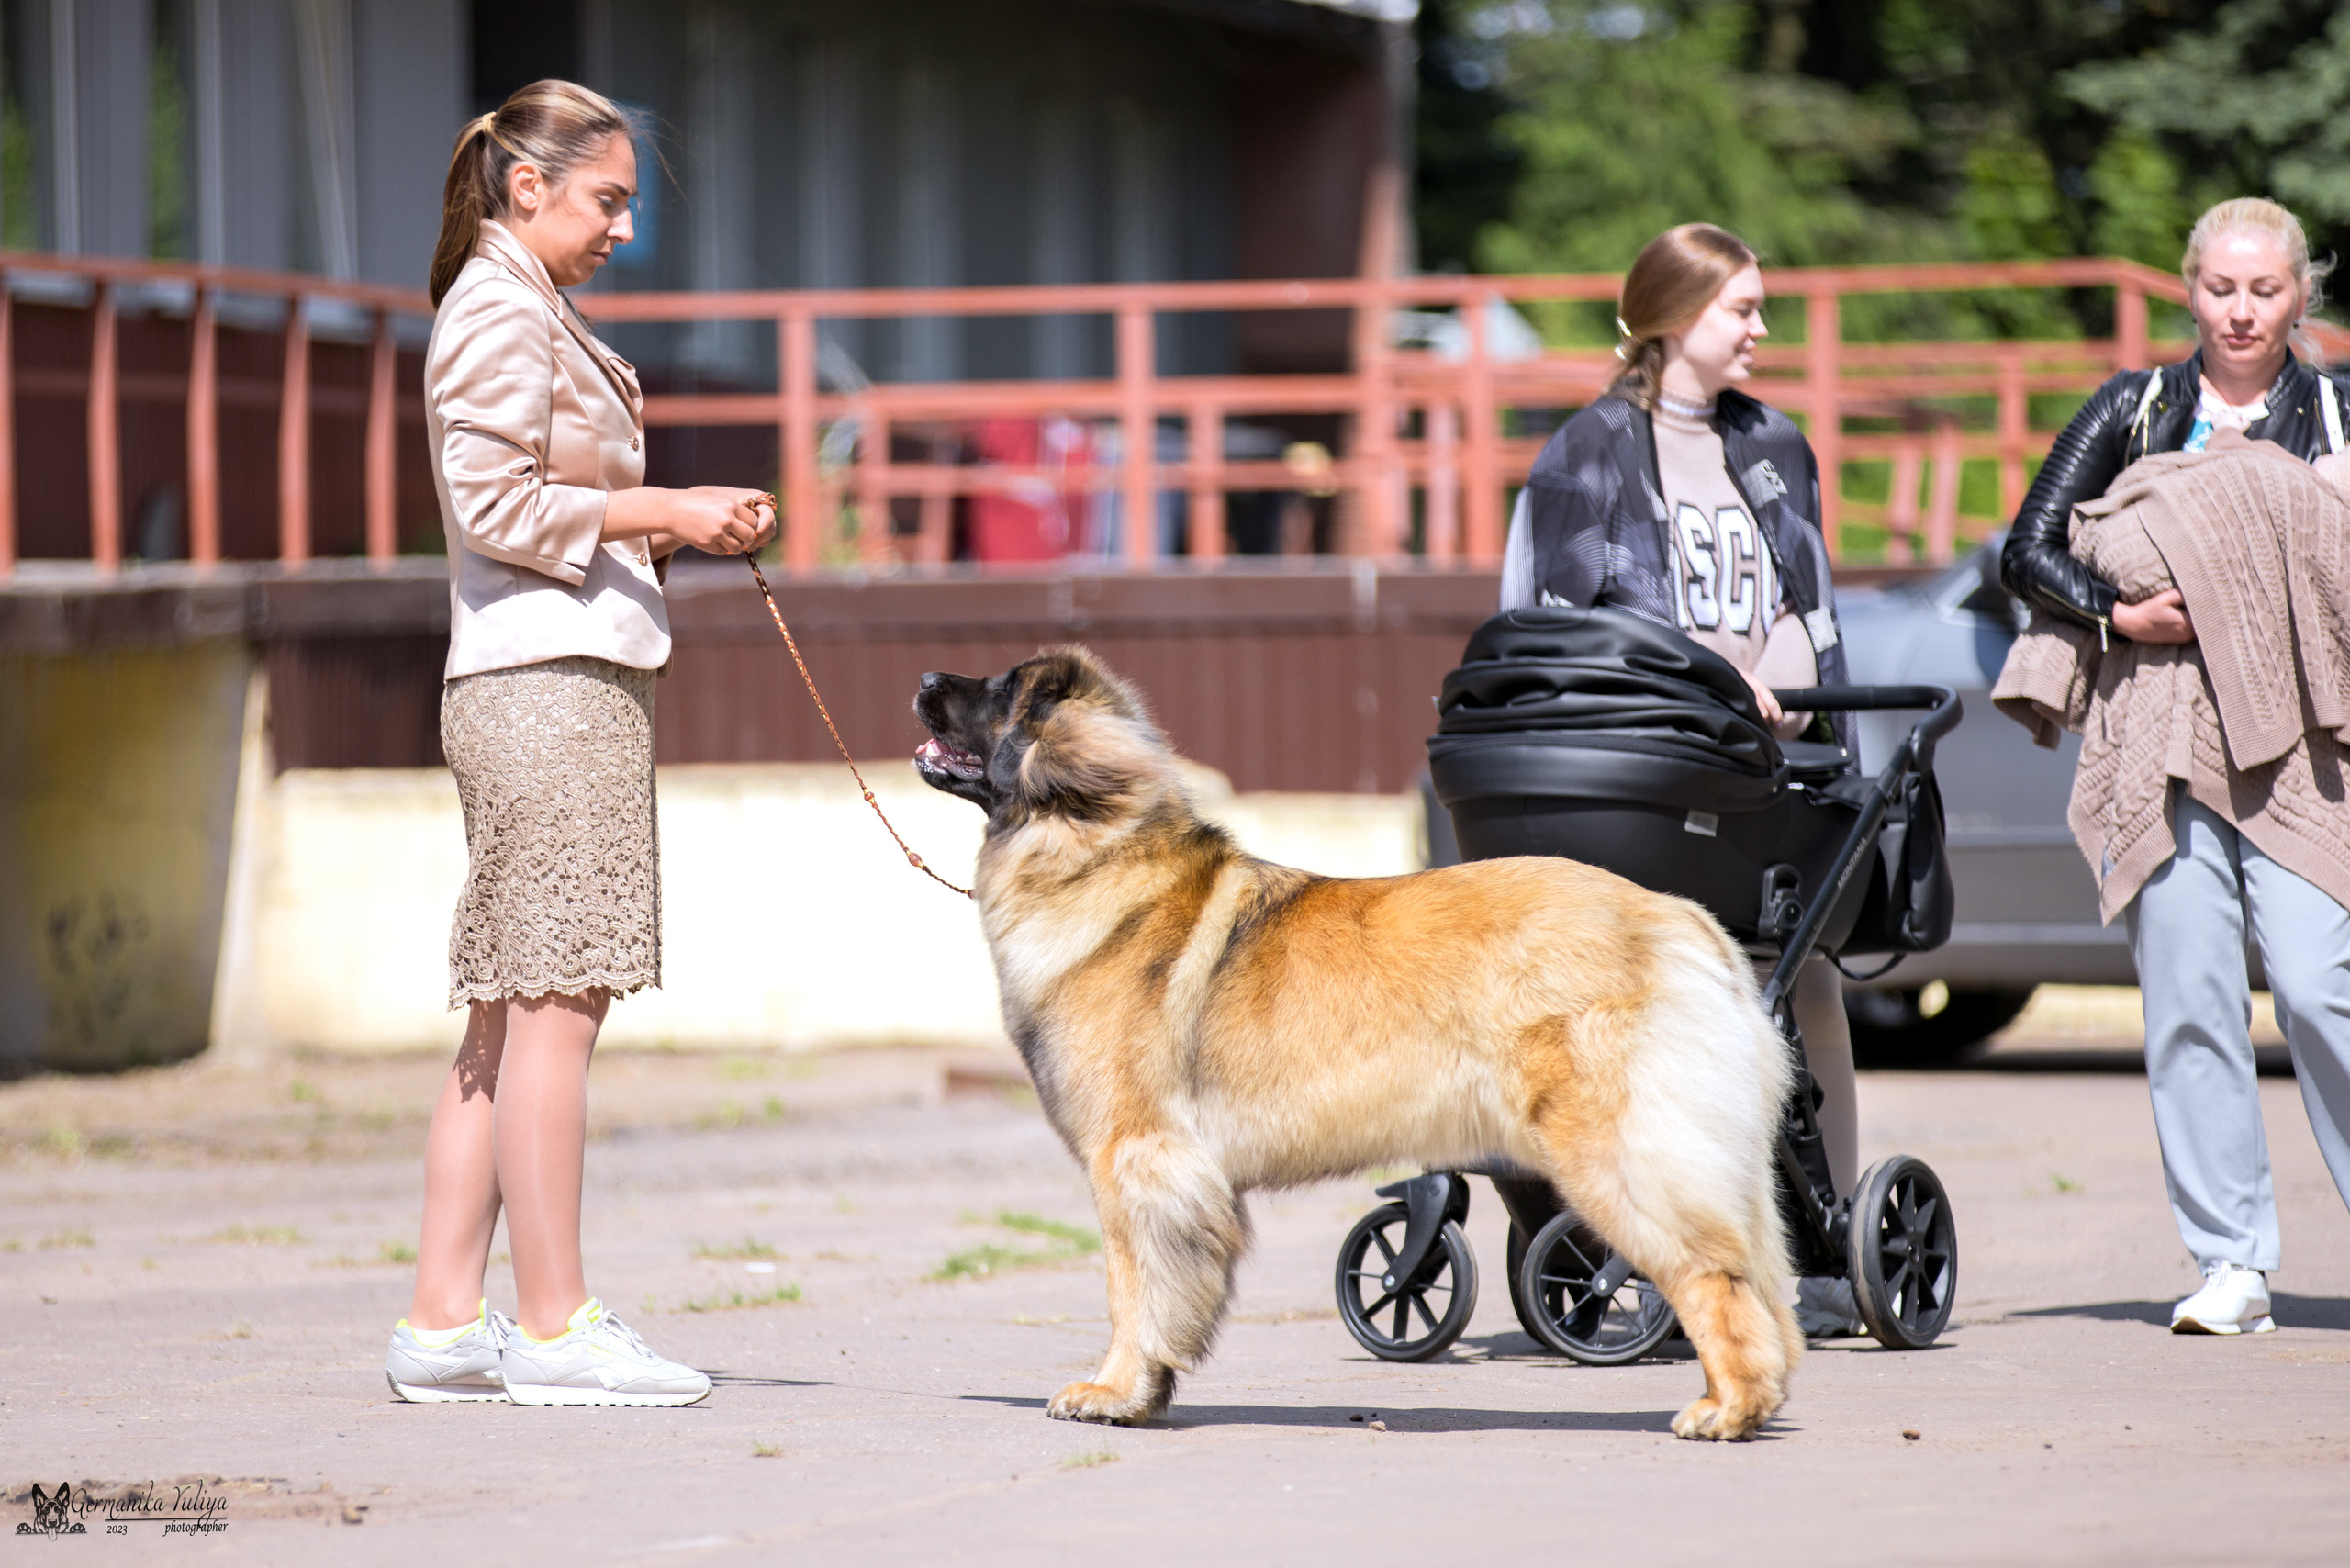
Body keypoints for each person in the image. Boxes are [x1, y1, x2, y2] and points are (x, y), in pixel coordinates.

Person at [383, 80, 776, 1406]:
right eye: (609, 198)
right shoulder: (497, 305)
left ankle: (447, 1322)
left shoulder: (517, 300)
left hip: (536, 677)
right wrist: (661, 500)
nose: (624, 224)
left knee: (510, 1013)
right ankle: (554, 1328)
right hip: (545, 684)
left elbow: (534, 493)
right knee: (557, 1005)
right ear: (527, 185)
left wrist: (671, 521)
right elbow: (493, 501)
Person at [1501, 222, 1865, 1338]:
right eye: (1739, 309)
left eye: (1759, 306)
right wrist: (1707, 683)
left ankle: (1829, 1251)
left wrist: (1778, 687)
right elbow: (1561, 622)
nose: (1761, 327)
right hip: (1643, 765)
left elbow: (1811, 602)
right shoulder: (1586, 453)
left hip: (1766, 757)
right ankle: (1638, 1241)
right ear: (1670, 316)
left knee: (1807, 985)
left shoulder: (1774, 445)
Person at [2000, 196, 2350, 1337]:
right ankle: (2230, 1262)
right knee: (2189, 998)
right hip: (2156, 731)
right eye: (2219, 289)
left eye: (2264, 290)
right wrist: (2117, 615)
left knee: (2316, 985)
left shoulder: (2338, 411)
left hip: (2305, 742)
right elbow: (2029, 548)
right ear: (2187, 291)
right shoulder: (2135, 405)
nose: (2241, 312)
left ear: (2300, 296)